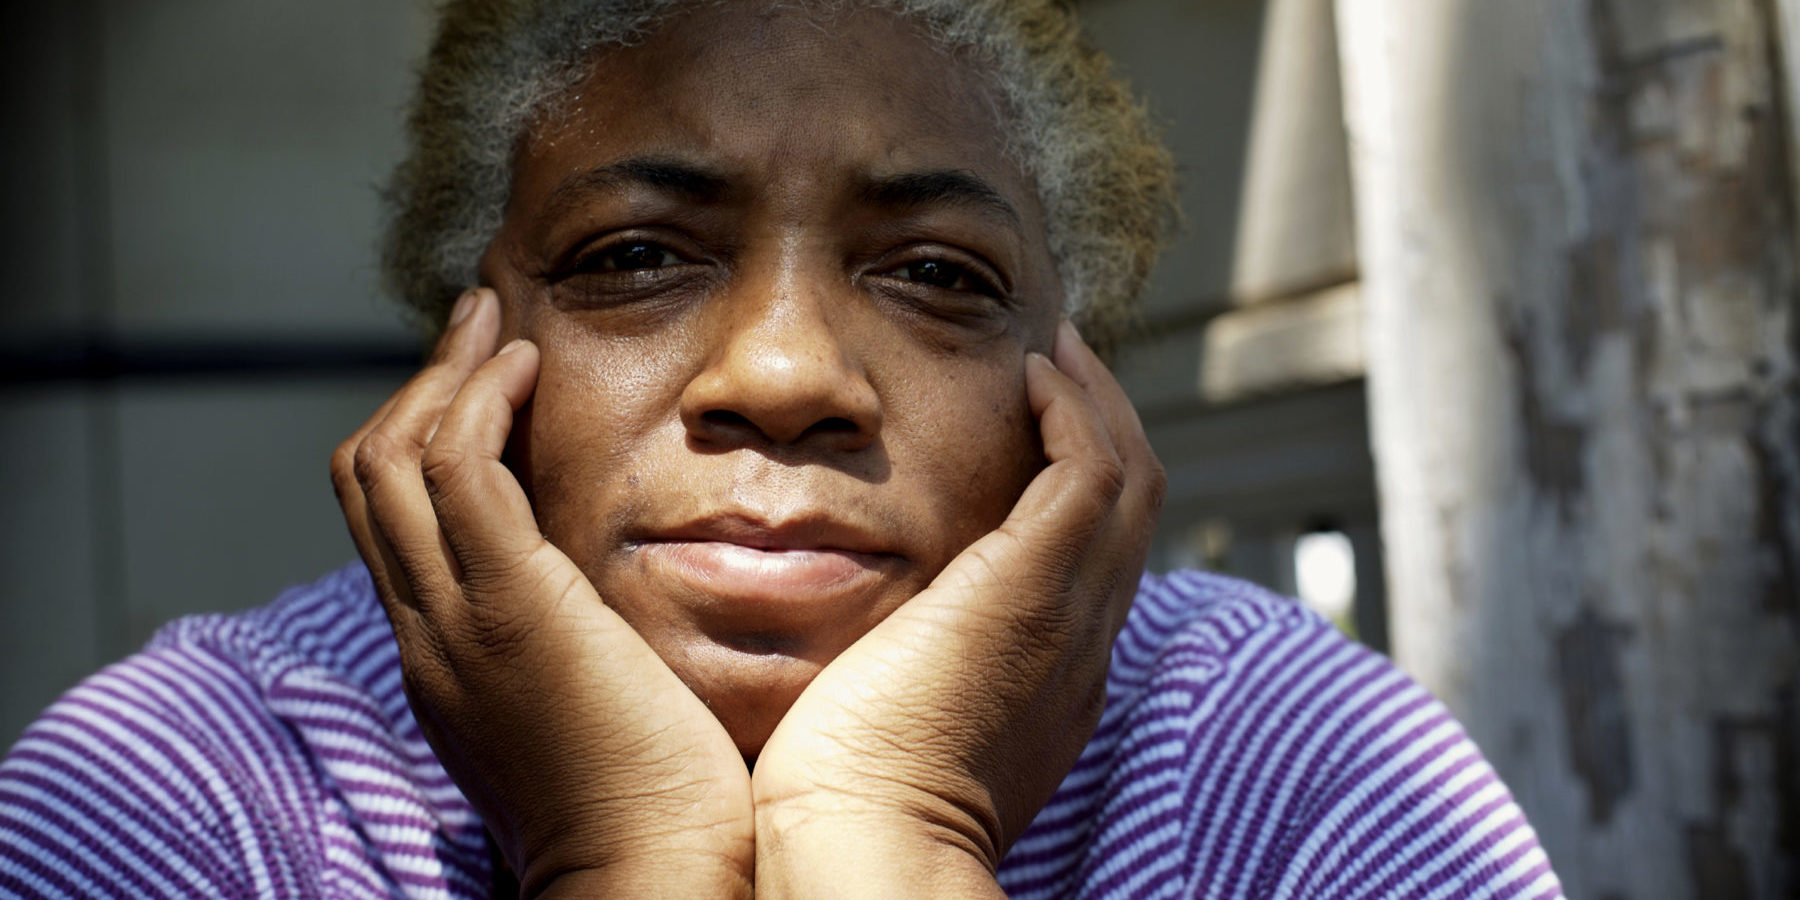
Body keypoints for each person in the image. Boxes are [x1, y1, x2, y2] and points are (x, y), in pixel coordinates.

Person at [0, 1, 1565, 897]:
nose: (785, 371)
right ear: (460, 351)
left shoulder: (1278, 765)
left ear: (1070, 387)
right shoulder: (189, 797)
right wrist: (623, 851)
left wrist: (899, 830)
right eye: (634, 256)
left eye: (938, 273)